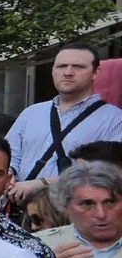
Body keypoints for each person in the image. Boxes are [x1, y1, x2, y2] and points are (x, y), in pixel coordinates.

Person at [7, 43, 122, 203]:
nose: (68, 72)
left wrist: (42, 184)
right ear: (53, 70)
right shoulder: (31, 113)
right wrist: (8, 175)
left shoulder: (115, 119)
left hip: (75, 212)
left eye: (78, 67)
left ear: (95, 72)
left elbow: (109, 172)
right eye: (61, 66)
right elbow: (10, 155)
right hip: (23, 210)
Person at [36, 160, 122, 258]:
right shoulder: (39, 246)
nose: (101, 214)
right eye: (87, 204)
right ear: (65, 205)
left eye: (110, 202)